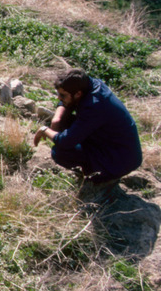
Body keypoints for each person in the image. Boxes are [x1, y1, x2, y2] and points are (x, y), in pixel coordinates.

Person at [33, 68, 142, 200]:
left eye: (62, 95)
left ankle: (101, 178)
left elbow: (65, 141)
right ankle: (94, 168)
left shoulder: (94, 105)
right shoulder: (90, 84)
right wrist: (57, 119)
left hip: (121, 159)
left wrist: (44, 130)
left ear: (78, 94)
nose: (59, 98)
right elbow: (67, 104)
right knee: (63, 121)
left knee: (60, 152)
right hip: (110, 142)